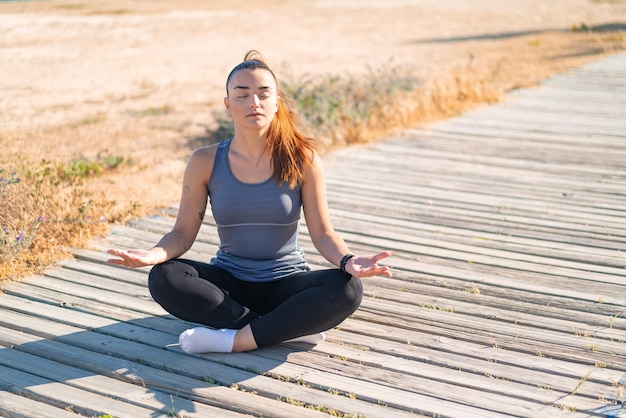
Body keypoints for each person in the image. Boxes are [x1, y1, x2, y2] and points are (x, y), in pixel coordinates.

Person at [107, 50, 392, 354]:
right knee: (164, 277)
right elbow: (182, 233)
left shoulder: (303, 159)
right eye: (241, 95)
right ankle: (284, 329)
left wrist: (349, 261)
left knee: (347, 288)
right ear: (228, 105)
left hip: (287, 284)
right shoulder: (204, 161)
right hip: (229, 287)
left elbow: (323, 233)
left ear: (276, 102)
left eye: (263, 94)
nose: (253, 102)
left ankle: (237, 339)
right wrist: (154, 255)